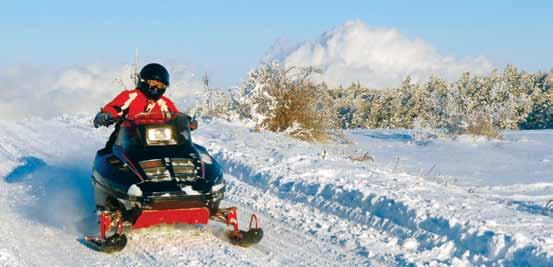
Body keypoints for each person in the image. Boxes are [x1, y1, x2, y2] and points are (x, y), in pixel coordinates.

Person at [94, 63, 180, 149]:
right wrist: (107, 114)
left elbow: (176, 115)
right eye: (153, 83)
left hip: (156, 141)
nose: (156, 88)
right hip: (127, 138)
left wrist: (188, 123)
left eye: (161, 85)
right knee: (113, 149)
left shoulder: (164, 102)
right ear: (144, 81)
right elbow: (115, 107)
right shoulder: (131, 96)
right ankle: (109, 156)